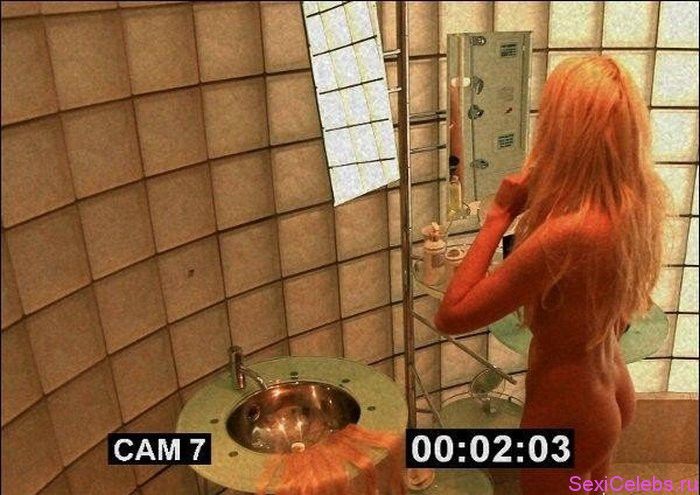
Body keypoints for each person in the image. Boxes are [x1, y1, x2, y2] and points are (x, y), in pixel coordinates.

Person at [434, 55, 667, 494]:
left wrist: (499, 214)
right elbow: (616, 314)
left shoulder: (570, 233)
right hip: (610, 387)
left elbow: (453, 314)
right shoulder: (634, 206)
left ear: (565, 131)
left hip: (568, 411)